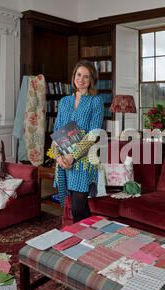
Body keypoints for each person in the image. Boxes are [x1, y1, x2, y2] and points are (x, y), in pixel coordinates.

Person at [51, 60, 104, 223]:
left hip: (84, 160)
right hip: (64, 159)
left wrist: (72, 157)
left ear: (91, 80)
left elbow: (93, 135)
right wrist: (57, 156)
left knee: (78, 207)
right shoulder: (64, 101)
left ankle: (80, 243)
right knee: (78, 206)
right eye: (79, 74)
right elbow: (57, 131)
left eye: (86, 76)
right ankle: (93, 237)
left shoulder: (96, 101)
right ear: (74, 76)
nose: (81, 79)